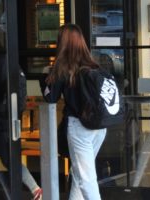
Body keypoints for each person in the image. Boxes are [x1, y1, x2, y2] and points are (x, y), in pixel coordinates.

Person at [40, 24, 106, 200]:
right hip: (100, 126)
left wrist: (44, 78)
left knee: (85, 178)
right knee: (79, 174)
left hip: (80, 128)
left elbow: (50, 97)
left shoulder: (63, 67)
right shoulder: (93, 64)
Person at [0, 19, 42, 200]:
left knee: (8, 160)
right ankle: (33, 189)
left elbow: (13, 88)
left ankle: (33, 189)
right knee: (3, 161)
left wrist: (11, 114)